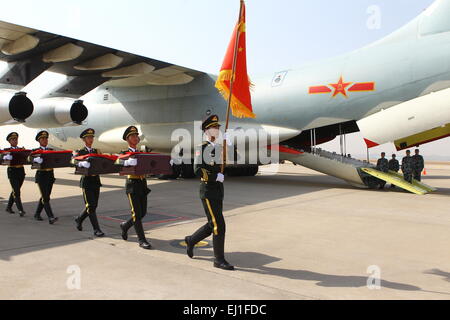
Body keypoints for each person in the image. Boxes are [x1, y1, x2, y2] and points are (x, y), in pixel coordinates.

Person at [184, 115, 234, 271]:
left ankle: (191, 240)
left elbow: (231, 160)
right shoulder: (202, 147)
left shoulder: (218, 147)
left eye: (218, 128)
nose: (217, 130)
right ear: (207, 131)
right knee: (219, 225)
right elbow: (197, 170)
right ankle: (219, 260)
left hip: (218, 190)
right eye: (214, 127)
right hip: (208, 190)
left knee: (213, 223)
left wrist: (229, 144)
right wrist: (214, 176)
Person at [116, 126, 153, 250]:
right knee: (136, 214)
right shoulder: (124, 153)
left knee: (143, 212)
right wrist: (126, 162)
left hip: (142, 183)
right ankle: (142, 240)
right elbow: (116, 162)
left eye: (137, 136)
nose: (136, 138)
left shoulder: (141, 153)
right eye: (133, 136)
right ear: (127, 139)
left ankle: (125, 226)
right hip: (132, 184)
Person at [73, 129, 105, 237]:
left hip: (96, 180)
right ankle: (96, 229)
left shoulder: (97, 151)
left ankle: (79, 219)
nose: (90, 139)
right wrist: (81, 163)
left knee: (94, 205)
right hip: (86, 181)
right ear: (84, 139)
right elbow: (73, 161)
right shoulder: (80, 151)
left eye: (92, 137)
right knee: (90, 206)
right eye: (88, 138)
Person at [32, 130, 58, 224]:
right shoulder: (35, 151)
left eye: (46, 138)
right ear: (39, 141)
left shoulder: (51, 150)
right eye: (43, 138)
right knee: (45, 197)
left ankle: (37, 213)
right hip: (41, 176)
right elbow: (29, 159)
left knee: (46, 196)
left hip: (50, 175)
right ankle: (51, 217)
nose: (45, 140)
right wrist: (35, 159)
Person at [3, 132, 26, 216]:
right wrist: (5, 158)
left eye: (16, 139)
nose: (15, 141)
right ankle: (21, 210)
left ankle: (8, 207)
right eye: (13, 139)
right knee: (17, 191)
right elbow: (3, 160)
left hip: (21, 171)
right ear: (9, 141)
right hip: (12, 172)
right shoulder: (6, 150)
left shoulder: (22, 149)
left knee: (15, 190)